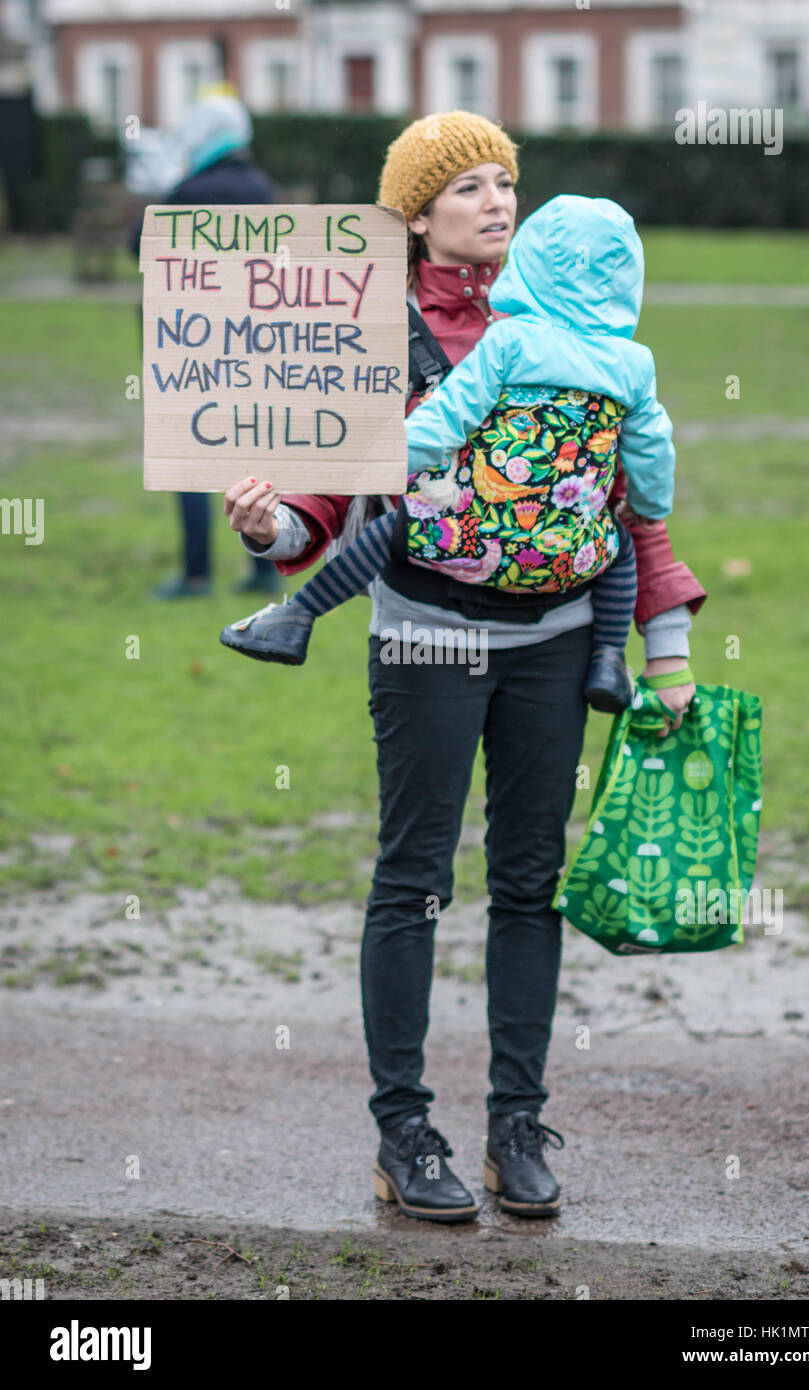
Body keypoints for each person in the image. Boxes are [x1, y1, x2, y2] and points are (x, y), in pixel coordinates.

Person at [223, 111, 707, 1221]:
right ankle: (406, 1132)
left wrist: (664, 645)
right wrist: (269, 526)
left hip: (556, 644)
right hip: (427, 638)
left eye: (507, 182)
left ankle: (515, 1125)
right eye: (471, 187)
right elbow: (324, 502)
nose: (499, 201)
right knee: (415, 880)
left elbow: (626, 498)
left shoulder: (574, 318)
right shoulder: (372, 329)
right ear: (418, 216)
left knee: (528, 886)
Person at [219, 193, 675, 716]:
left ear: (527, 264)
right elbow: (652, 450)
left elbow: (446, 420)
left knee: (391, 532)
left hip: (471, 538)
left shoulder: (508, 343)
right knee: (620, 543)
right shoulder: (634, 365)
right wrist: (651, 504)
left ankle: (296, 618)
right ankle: (610, 662)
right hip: (568, 554)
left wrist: (380, 459)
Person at [128, 89, 279, 600]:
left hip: (190, 347)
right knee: (252, 456)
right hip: (254, 344)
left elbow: (138, 246)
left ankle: (196, 574)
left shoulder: (188, 191)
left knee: (189, 457)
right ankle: (263, 567)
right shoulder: (261, 188)